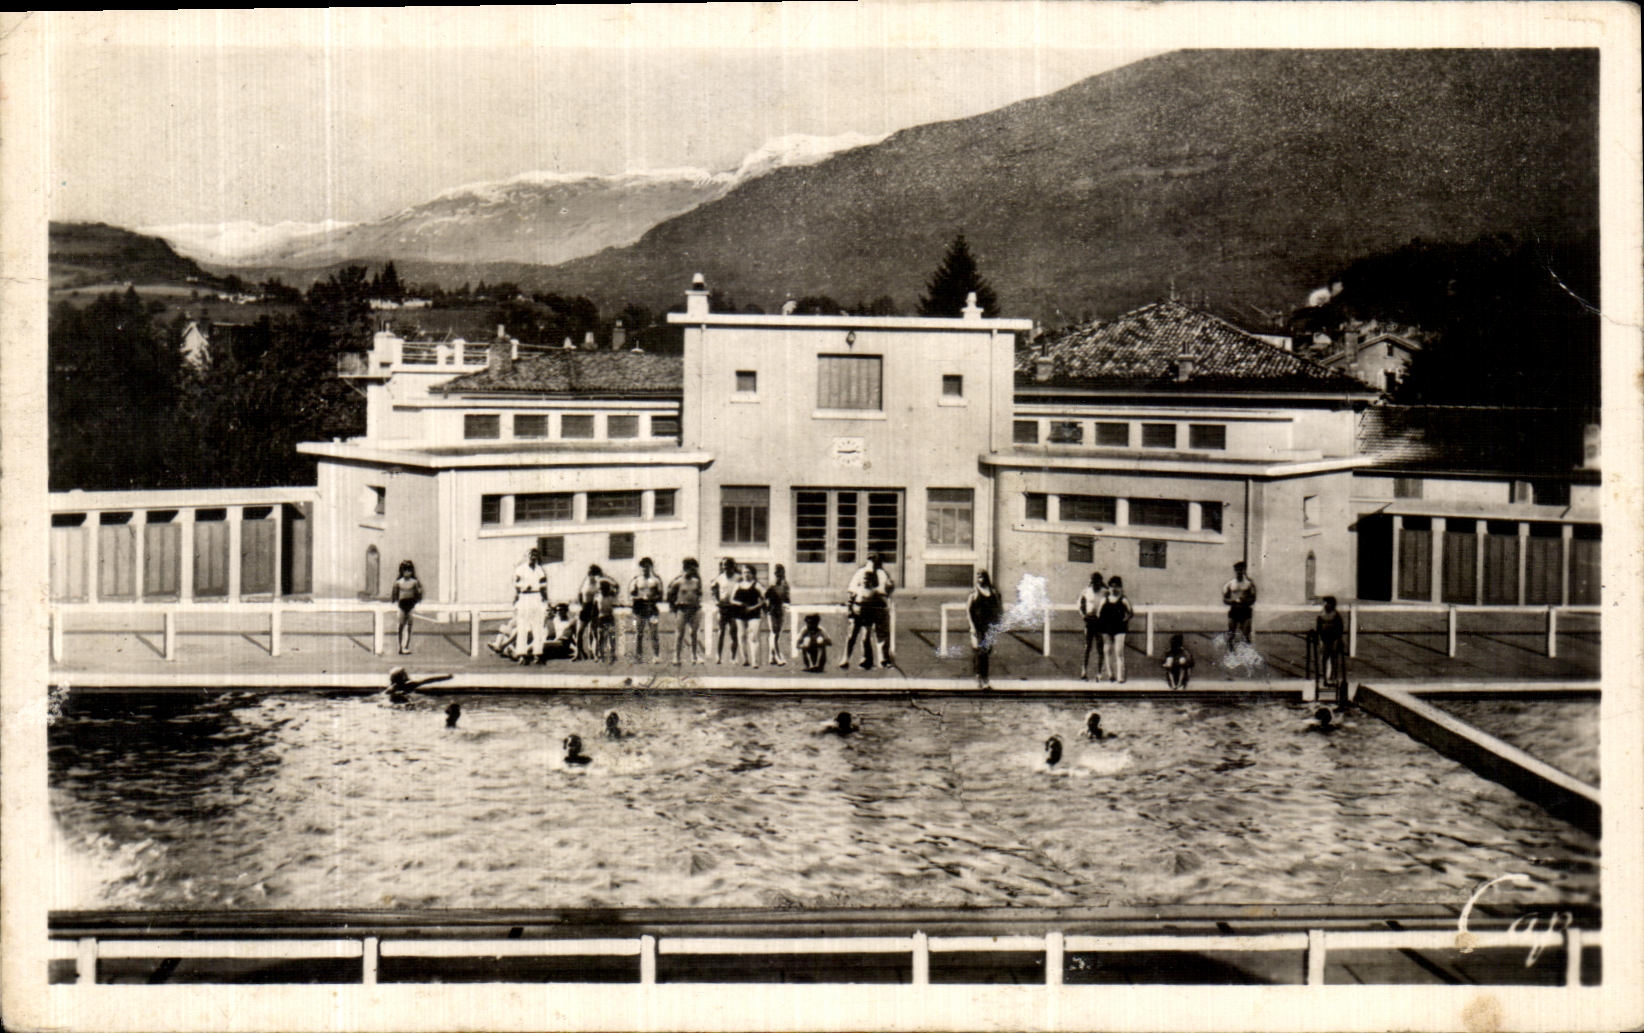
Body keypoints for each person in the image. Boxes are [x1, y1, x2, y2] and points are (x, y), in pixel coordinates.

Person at [843, 569, 890, 670]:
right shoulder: (857, 590)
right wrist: (850, 613)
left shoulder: (875, 592)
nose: (865, 580)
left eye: (868, 579)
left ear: (872, 580)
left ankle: (866, 661)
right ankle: (845, 659)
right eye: (864, 579)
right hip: (856, 616)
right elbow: (850, 602)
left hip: (868, 617)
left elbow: (882, 604)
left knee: (865, 638)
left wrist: (879, 612)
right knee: (851, 637)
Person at [967, 569, 1004, 689]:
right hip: (978, 627)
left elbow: (999, 608)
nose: (979, 580)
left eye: (981, 577)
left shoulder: (993, 592)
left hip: (989, 626)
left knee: (987, 651)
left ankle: (984, 678)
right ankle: (981, 678)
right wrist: (972, 626)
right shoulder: (974, 593)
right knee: (980, 652)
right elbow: (968, 611)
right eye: (978, 577)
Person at [511, 549, 549, 665]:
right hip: (524, 598)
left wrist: (545, 600)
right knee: (522, 627)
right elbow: (515, 584)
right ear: (527, 556)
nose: (533, 557)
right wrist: (523, 587)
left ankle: (537, 654)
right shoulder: (520, 569)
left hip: (536, 598)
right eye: (531, 554)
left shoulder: (539, 570)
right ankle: (522, 654)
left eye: (535, 555)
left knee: (537, 627)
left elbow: (543, 586)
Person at [667, 558, 705, 664]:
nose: (692, 571)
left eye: (694, 569)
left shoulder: (696, 581)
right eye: (690, 568)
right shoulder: (677, 582)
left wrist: (696, 603)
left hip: (695, 609)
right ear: (685, 568)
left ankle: (694, 656)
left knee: (694, 633)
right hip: (682, 609)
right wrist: (674, 607)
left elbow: (699, 594)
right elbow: (670, 596)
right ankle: (676, 657)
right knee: (679, 634)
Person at [628, 558, 665, 664]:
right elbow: (631, 595)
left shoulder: (656, 580)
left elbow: (660, 596)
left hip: (652, 609)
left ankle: (656, 656)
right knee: (639, 633)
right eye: (643, 566)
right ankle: (638, 656)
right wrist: (637, 598)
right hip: (640, 609)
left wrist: (651, 598)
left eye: (647, 566)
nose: (645, 568)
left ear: (651, 567)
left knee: (654, 633)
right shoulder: (636, 580)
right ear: (640, 568)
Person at [1098, 576, 1134, 683]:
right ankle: (1110, 675)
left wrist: (1124, 619)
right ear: (1108, 588)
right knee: (1107, 650)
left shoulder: (1123, 600)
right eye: (1111, 586)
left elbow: (1130, 613)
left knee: (1119, 651)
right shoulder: (1104, 599)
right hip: (1107, 628)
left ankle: (1120, 676)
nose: (1114, 589)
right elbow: (1099, 613)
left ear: (1120, 587)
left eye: (1116, 586)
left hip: (1119, 628)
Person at [576, 565, 616, 660]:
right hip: (585, 608)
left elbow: (610, 588)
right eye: (588, 572)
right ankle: (578, 653)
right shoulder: (585, 581)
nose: (589, 574)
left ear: (595, 574)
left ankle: (595, 653)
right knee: (579, 632)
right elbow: (580, 593)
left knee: (594, 632)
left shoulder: (599, 583)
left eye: (591, 573)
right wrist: (581, 605)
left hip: (594, 608)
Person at [730, 565, 765, 668]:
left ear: (753, 573)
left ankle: (755, 661)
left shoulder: (757, 585)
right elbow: (732, 599)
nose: (746, 574)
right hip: (740, 613)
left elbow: (765, 600)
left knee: (753, 636)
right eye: (744, 572)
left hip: (754, 613)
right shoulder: (738, 585)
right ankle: (745, 659)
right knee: (741, 636)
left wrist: (754, 607)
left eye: (748, 572)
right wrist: (739, 604)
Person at [1076, 571, 1106, 681]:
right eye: (1093, 582)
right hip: (1089, 621)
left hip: (1100, 622)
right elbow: (1079, 605)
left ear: (1100, 582)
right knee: (1087, 647)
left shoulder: (1105, 592)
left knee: (1100, 648)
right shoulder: (1086, 591)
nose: (1095, 585)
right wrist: (1083, 615)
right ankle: (1084, 672)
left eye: (1097, 582)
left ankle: (1099, 673)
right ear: (1091, 582)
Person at [711, 557, 741, 664]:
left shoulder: (739, 578)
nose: (725, 567)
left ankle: (733, 657)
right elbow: (713, 591)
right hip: (723, 608)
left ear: (733, 566)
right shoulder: (719, 578)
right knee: (720, 632)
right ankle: (718, 656)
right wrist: (716, 601)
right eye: (723, 565)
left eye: (727, 565)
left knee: (733, 632)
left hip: (734, 608)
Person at [390, 560, 423, 655]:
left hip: (410, 606)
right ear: (401, 571)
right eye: (405, 570)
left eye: (409, 570)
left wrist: (417, 602)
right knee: (400, 627)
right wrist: (394, 603)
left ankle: (406, 646)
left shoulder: (415, 582)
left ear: (412, 571)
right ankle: (400, 646)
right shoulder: (398, 583)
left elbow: (418, 594)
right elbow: (394, 595)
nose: (407, 573)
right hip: (401, 606)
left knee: (409, 627)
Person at [1222, 561, 1258, 646]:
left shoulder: (1249, 584)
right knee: (1231, 634)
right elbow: (1225, 599)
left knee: (1246, 635)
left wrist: (1245, 602)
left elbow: (1253, 599)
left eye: (1241, 570)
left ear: (1244, 570)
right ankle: (1231, 654)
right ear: (1235, 571)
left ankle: (1247, 654)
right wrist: (1232, 602)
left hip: (1245, 611)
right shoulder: (1230, 584)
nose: (1239, 572)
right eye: (1237, 570)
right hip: (1234, 610)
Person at [764, 564, 791, 667]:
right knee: (774, 632)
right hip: (772, 610)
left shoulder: (785, 584)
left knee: (777, 633)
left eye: (780, 572)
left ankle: (771, 656)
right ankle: (778, 656)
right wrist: (767, 609)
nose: (778, 574)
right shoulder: (772, 584)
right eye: (776, 572)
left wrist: (786, 605)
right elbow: (765, 597)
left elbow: (787, 598)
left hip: (780, 610)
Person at [1315, 595, 1345, 686]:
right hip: (1325, 641)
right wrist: (1320, 641)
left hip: (1334, 641)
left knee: (1334, 659)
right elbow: (1319, 630)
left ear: (1331, 604)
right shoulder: (1321, 616)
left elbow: (1340, 630)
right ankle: (1325, 678)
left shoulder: (1336, 616)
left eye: (1326, 603)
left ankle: (1333, 678)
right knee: (1324, 659)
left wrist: (1337, 641)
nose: (1324, 605)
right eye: (1324, 603)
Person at [385, 667, 453, 703]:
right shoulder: (409, 685)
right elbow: (429, 680)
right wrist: (446, 677)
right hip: (406, 703)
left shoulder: (390, 689)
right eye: (405, 674)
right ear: (403, 677)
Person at [592, 578, 620, 662]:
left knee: (612, 636)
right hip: (600, 618)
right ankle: (601, 655)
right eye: (601, 589)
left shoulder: (611, 596)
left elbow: (617, 586)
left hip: (609, 617)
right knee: (601, 637)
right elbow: (594, 610)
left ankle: (613, 654)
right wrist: (594, 621)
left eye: (604, 588)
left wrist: (610, 579)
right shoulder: (597, 597)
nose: (602, 590)